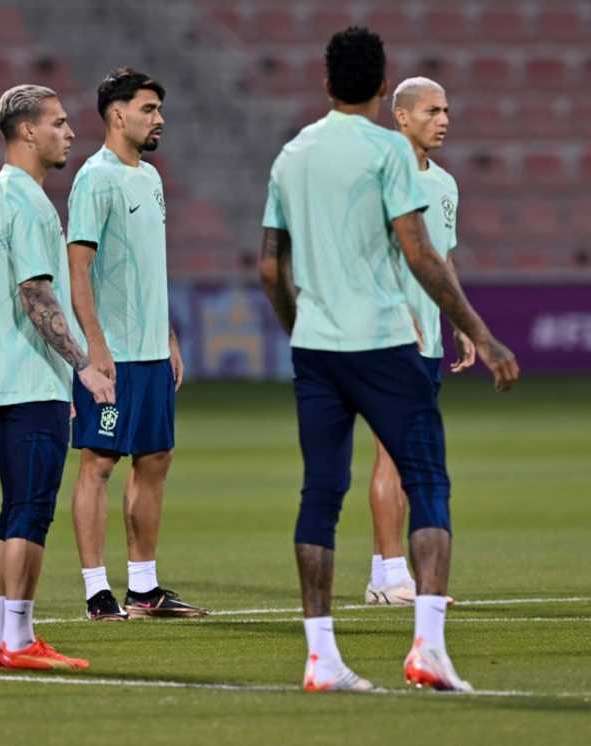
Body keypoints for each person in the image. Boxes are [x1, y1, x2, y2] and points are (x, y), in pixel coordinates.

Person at [258, 28, 519, 692]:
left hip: (317, 346)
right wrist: (481, 334)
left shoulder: (291, 155)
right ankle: (426, 649)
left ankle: (321, 658)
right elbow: (420, 252)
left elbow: (268, 267)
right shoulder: (387, 151)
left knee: (319, 494)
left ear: (325, 84)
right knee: (427, 478)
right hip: (381, 339)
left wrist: (301, 325)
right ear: (382, 88)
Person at [0, 84, 115, 670]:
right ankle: (19, 640)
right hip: (29, 378)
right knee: (31, 510)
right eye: (58, 122)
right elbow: (36, 293)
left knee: (14, 510)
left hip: (13, 378)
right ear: (28, 131)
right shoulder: (25, 199)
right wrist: (83, 366)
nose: (70, 132)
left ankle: (5, 637)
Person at [66, 69, 201, 621]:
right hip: (114, 354)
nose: (159, 118)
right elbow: (78, 274)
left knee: (155, 459)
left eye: (159, 109)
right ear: (117, 114)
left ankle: (143, 590)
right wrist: (95, 350)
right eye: (148, 108)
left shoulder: (149, 178)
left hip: (149, 351)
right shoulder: (94, 179)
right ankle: (97, 590)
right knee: (98, 464)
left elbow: (149, 269)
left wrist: (167, 334)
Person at [365, 77, 473, 606]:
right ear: (402, 117)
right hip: (388, 341)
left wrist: (461, 322)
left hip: (428, 339)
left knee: (412, 458)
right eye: (432, 110)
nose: (444, 119)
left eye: (447, 110)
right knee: (392, 454)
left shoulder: (446, 185)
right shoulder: (380, 177)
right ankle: (387, 576)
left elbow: (444, 260)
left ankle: (386, 573)